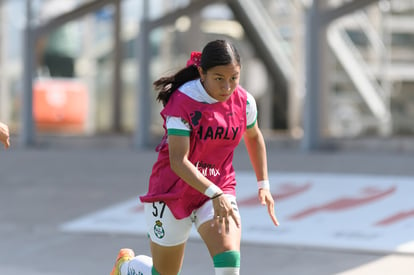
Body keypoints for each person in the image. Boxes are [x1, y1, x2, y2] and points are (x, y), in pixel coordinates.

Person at [110, 39, 279, 275]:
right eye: (219, 78)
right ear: (202, 72)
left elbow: (254, 136)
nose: (227, 87)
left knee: (229, 262)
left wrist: (263, 184)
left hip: (217, 188)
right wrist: (215, 192)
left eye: (234, 78)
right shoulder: (183, 102)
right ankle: (125, 266)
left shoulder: (245, 101)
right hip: (173, 191)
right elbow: (178, 161)